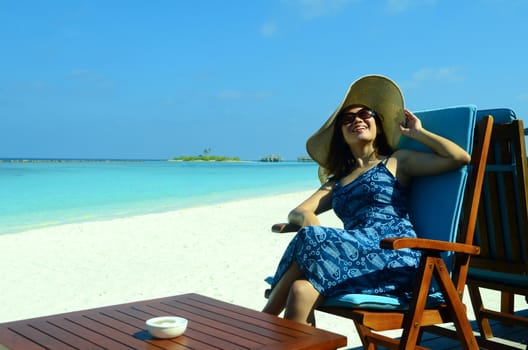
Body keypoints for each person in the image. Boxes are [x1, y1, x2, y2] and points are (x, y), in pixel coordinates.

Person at [262, 75, 471, 326]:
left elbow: (459, 158)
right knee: (300, 290)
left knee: (311, 238)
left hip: (395, 255)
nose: (358, 120)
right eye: (348, 119)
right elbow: (299, 211)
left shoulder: (396, 162)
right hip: (352, 257)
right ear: (341, 134)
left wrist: (419, 133)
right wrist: (314, 229)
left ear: (378, 126)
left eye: (365, 114)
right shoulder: (337, 182)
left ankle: (261, 322)